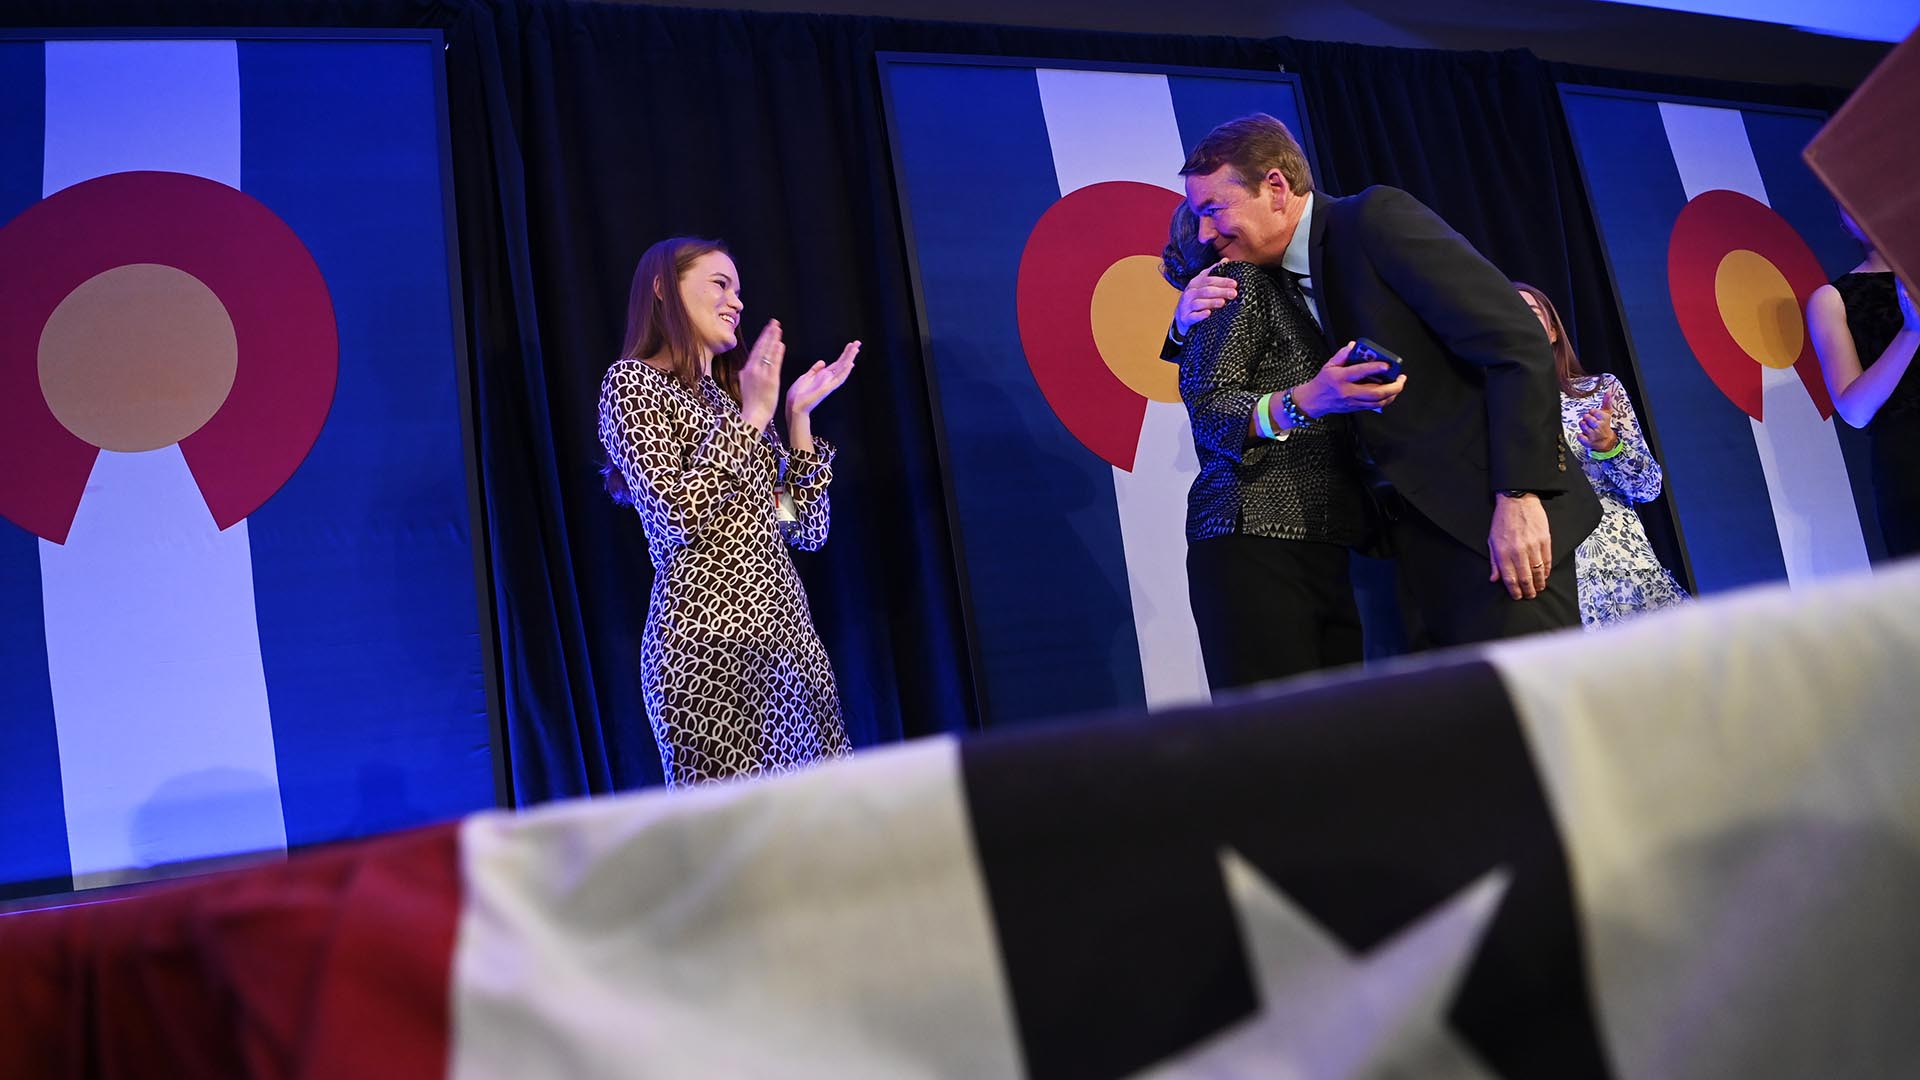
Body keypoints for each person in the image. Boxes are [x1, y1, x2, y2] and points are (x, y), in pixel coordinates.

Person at [1166, 114, 1599, 647]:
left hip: (1493, 524)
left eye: (1214, 209)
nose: (1206, 234)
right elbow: (1226, 380)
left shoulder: (1373, 220)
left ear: (1275, 187)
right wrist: (1181, 324)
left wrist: (1520, 496)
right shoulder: (1265, 275)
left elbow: (1515, 341)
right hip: (1407, 544)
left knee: (1530, 711)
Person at [598, 237, 858, 786]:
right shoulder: (632, 385)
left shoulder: (730, 405)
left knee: (824, 836)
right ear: (664, 288)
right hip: (710, 653)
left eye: (739, 290)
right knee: (739, 849)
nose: (737, 301)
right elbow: (678, 511)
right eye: (720, 284)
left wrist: (795, 417)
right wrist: (753, 415)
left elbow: (802, 527)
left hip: (790, 651)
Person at [1160, 204, 1406, 688]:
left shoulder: (1282, 289)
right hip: (1254, 537)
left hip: (1319, 537)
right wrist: (1309, 400)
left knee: (1326, 742)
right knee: (1278, 744)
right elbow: (1214, 414)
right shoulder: (1234, 283)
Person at [1516, 283, 1688, 627]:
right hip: (1548, 574)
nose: (1519, 320)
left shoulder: (1598, 391)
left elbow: (1648, 486)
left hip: (1622, 566)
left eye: (1531, 314)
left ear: (1552, 331)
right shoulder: (1490, 407)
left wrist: (1610, 446)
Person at [1807, 211, 1920, 559]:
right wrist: (1911, 332)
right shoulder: (1833, 298)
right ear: (1842, 222)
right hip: (1908, 456)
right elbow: (1854, 410)